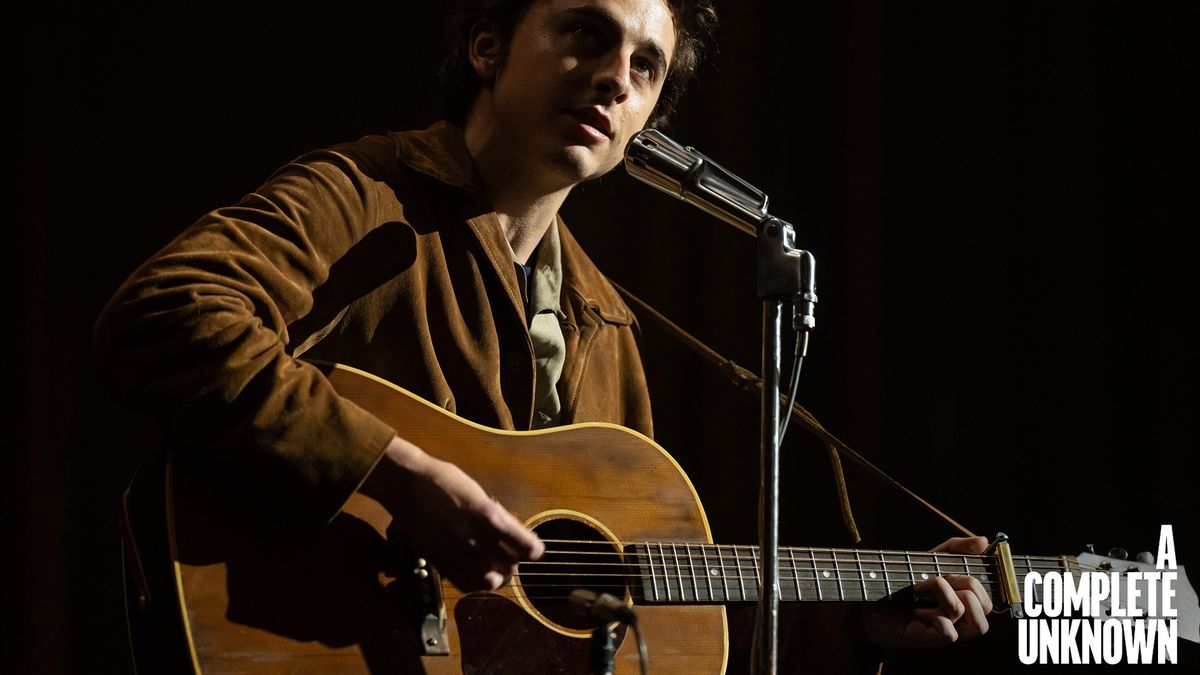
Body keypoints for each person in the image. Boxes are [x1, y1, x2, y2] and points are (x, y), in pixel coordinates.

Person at [95, 0, 992, 671]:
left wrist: (852, 618)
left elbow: (624, 600)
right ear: (488, 45)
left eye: (645, 66)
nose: (615, 76)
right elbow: (166, 313)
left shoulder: (604, 321)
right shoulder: (367, 194)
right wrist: (397, 475)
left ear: (645, 125)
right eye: (586, 34)